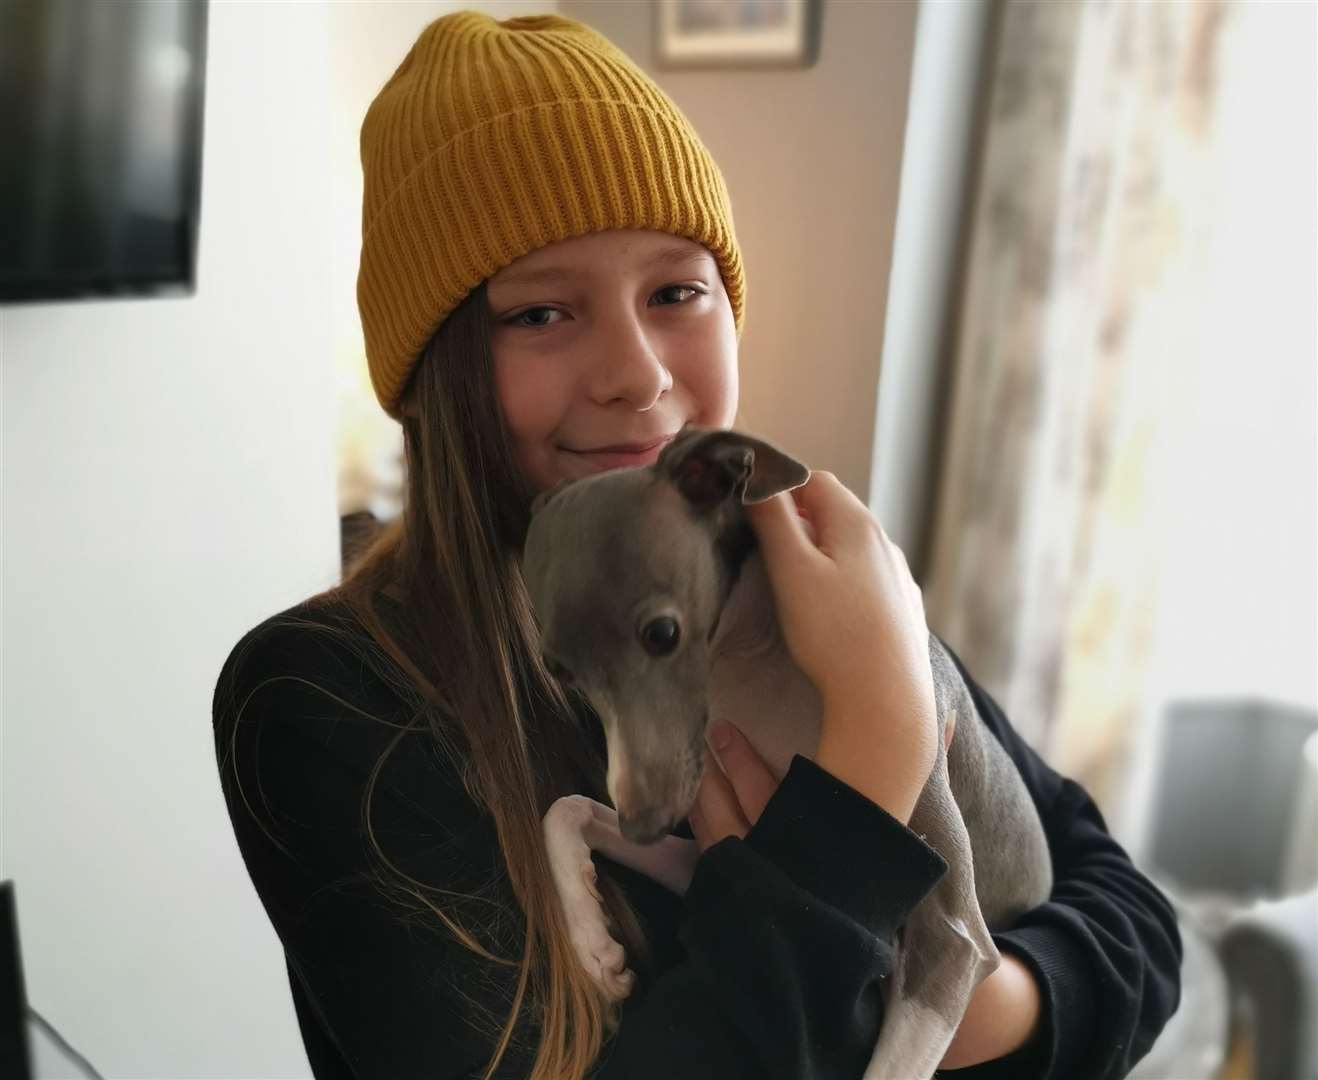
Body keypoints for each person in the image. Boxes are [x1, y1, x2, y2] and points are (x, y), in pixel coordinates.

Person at [211, 11, 1181, 1080]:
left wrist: (978, 1011)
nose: (635, 371)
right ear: (435, 376)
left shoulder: (809, 583)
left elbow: (1133, 919)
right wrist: (868, 760)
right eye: (539, 314)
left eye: (677, 292)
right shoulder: (323, 698)